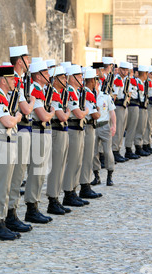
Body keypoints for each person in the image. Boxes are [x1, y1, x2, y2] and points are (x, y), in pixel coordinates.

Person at [0, 65, 24, 240]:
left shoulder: (3, 96)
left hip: (7, 143)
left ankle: (3, 222)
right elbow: (8, 121)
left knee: (6, 186)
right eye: (10, 79)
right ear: (2, 80)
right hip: (0, 144)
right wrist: (16, 118)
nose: (14, 81)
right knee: (0, 187)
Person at [7, 45, 36, 231]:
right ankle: (11, 213)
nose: (30, 62)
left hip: (20, 128)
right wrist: (33, 100)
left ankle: (12, 212)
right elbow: (25, 109)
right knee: (16, 175)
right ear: (20, 61)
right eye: (27, 59)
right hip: (18, 129)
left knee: (17, 174)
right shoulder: (15, 81)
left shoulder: (18, 80)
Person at [24, 60, 55, 223]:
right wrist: (52, 112)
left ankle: (35, 204)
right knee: (36, 171)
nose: (49, 75)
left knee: (42, 171)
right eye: (45, 72)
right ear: (38, 75)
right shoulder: (34, 89)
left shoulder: (41, 89)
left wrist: (49, 114)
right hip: (37, 131)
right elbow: (43, 115)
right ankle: (31, 207)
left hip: (44, 131)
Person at [62, 64, 90, 207]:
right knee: (72, 162)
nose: (81, 79)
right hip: (73, 127)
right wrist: (85, 111)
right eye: (78, 76)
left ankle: (73, 190)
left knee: (78, 162)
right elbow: (79, 113)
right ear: (71, 78)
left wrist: (84, 111)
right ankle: (68, 192)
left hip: (79, 127)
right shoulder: (70, 91)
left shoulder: (77, 91)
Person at [45, 66, 71, 214]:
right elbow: (62, 116)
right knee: (55, 167)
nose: (65, 80)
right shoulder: (53, 93)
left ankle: (56, 198)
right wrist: (67, 112)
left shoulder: (60, 93)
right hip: (56, 130)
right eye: (62, 78)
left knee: (61, 166)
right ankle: (52, 200)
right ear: (54, 80)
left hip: (62, 130)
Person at [91, 63, 117, 187]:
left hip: (104, 126)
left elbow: (112, 112)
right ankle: (96, 176)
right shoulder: (88, 96)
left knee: (107, 152)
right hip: (93, 126)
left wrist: (114, 126)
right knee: (94, 152)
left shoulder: (105, 96)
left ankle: (110, 175)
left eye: (96, 82)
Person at [78, 68, 101, 199]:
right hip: (87, 127)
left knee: (87, 157)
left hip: (88, 127)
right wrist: (97, 112)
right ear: (92, 80)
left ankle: (85, 184)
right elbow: (95, 114)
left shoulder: (88, 92)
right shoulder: (87, 93)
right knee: (86, 158)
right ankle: (85, 185)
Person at [112, 61, 131, 162]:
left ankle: (118, 149)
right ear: (119, 70)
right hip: (118, 106)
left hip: (124, 105)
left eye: (126, 70)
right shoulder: (117, 80)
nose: (125, 72)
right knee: (118, 130)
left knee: (122, 129)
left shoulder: (125, 80)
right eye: (123, 70)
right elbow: (114, 96)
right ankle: (114, 151)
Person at [134, 65, 150, 157]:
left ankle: (140, 145)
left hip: (143, 106)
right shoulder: (137, 82)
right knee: (139, 127)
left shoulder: (142, 83)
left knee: (143, 127)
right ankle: (138, 146)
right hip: (139, 106)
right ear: (144, 74)